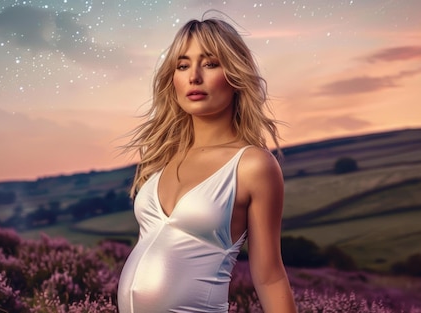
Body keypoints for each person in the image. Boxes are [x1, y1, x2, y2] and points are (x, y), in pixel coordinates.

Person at [117, 16, 297, 313]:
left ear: (235, 74)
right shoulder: (162, 157)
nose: (194, 77)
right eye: (183, 65)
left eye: (210, 63)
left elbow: (270, 276)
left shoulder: (251, 165)